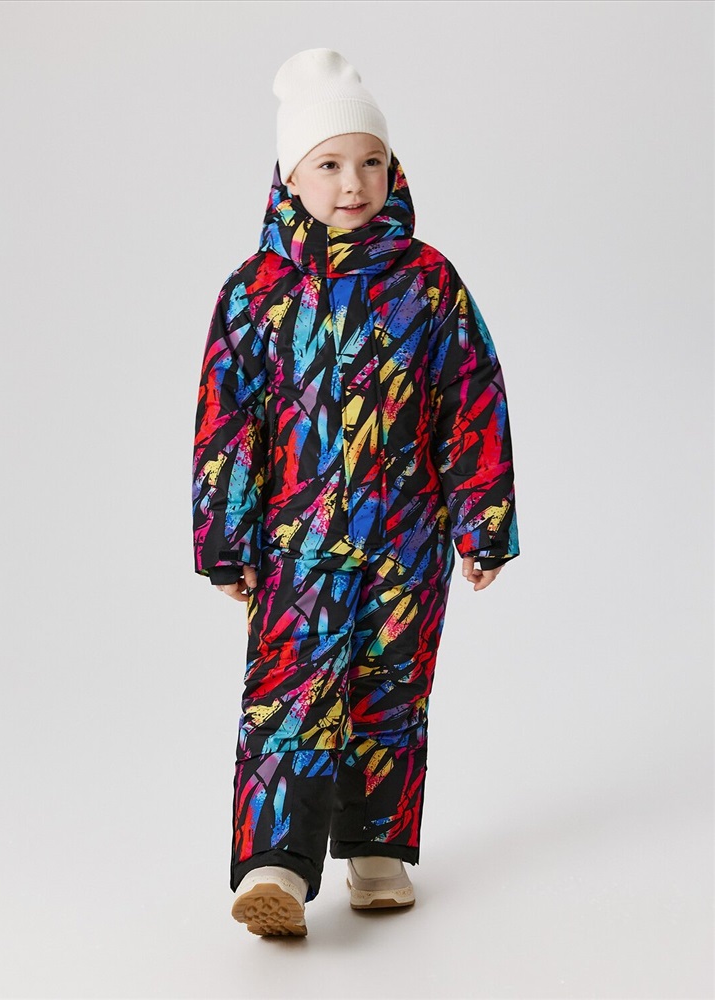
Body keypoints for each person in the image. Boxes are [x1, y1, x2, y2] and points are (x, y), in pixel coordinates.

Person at [191, 47, 520, 937]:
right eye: (330, 163)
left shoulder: (429, 284)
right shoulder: (254, 295)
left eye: (371, 161)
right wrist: (225, 541)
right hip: (296, 545)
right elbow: (227, 423)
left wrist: (483, 521)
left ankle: (376, 852)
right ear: (291, 176)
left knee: (390, 693)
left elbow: (471, 401)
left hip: (406, 538)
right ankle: (274, 866)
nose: (353, 183)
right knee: (288, 695)